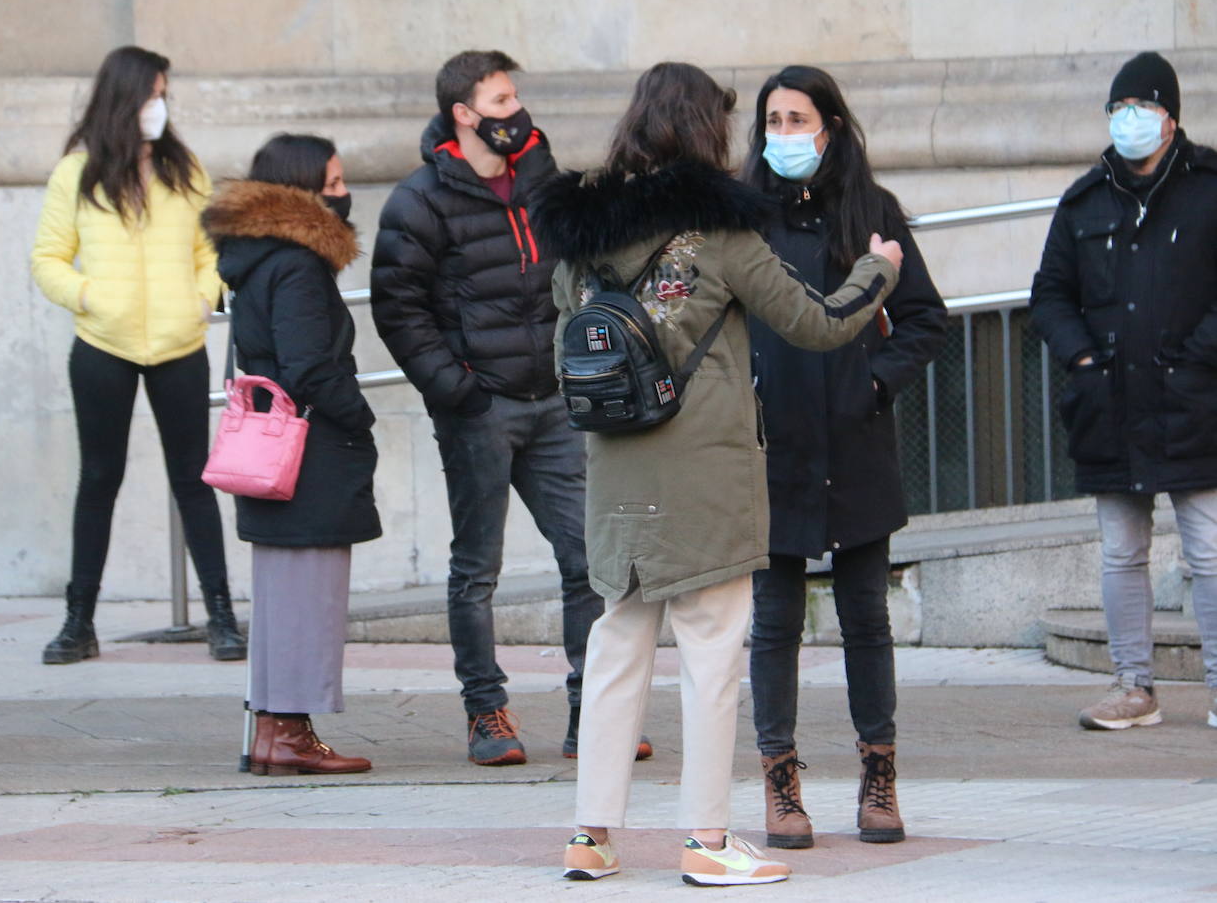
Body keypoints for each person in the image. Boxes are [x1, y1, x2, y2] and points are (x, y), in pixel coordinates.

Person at [531, 61, 903, 887]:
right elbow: (816, 322)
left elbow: (563, 345)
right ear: (705, 131)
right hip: (703, 478)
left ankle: (590, 836)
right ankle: (705, 843)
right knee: (710, 656)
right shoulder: (720, 233)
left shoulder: (580, 237)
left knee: (617, 645)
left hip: (615, 474)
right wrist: (877, 273)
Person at [371, 50, 649, 766]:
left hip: (555, 400)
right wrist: (457, 389)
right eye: (499, 103)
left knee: (587, 557)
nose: (514, 113)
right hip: (479, 407)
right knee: (477, 567)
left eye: (514, 98)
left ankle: (594, 713)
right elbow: (398, 310)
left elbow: (588, 260)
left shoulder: (540, 176)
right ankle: (486, 713)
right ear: (464, 114)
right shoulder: (419, 200)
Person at [739, 65, 947, 848]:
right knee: (774, 622)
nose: (784, 135)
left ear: (830, 125)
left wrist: (874, 383)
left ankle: (878, 774)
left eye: (798, 119)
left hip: (855, 443)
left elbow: (925, 317)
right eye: (773, 121)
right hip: (772, 446)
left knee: (866, 617)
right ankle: (781, 782)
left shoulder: (872, 211)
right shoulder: (743, 218)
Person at [30, 46, 243, 665]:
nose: (161, 106)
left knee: (194, 480)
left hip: (179, 344)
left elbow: (211, 256)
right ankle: (78, 623)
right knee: (99, 478)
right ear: (125, 98)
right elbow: (47, 260)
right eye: (152, 94)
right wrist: (90, 296)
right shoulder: (78, 173)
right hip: (103, 346)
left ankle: (222, 618)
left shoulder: (186, 170)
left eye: (164, 94)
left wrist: (202, 300)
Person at [1032, 51, 1217, 732]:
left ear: (1170, 118)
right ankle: (1132, 686)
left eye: (1140, 108)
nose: (1128, 121)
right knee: (1121, 553)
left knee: (1209, 552)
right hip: (1108, 404)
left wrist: (1196, 359)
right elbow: (1049, 293)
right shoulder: (1085, 201)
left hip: (1194, 404)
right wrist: (1081, 357)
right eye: (1118, 110)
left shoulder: (1208, 187)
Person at [201, 133, 381, 774]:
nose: (342, 192)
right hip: (310, 454)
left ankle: (274, 731)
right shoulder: (298, 263)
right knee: (310, 592)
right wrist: (359, 414)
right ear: (302, 190)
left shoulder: (255, 259)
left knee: (283, 594)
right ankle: (291, 735)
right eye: (332, 182)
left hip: (273, 451)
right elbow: (309, 366)